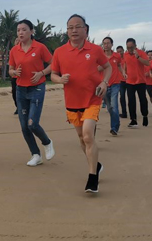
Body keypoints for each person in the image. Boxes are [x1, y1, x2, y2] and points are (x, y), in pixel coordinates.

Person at [51, 14, 111, 193]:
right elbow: (53, 74)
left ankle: (92, 178)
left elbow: (108, 67)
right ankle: (96, 165)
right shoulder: (59, 52)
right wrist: (60, 79)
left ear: (86, 29)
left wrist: (104, 82)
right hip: (72, 101)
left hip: (93, 98)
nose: (74, 30)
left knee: (88, 135)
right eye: (70, 27)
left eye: (78, 26)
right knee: (81, 138)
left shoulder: (95, 50)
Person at [8, 20, 55, 166]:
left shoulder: (40, 47)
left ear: (31, 31)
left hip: (37, 88)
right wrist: (14, 72)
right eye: (18, 30)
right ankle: (35, 154)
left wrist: (42, 73)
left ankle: (47, 142)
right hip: (21, 90)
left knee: (32, 124)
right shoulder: (14, 50)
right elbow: (10, 70)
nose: (20, 32)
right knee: (24, 126)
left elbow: (53, 64)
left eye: (24, 29)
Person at [122, 38, 150, 128]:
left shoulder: (141, 53)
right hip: (130, 81)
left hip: (140, 81)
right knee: (131, 100)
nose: (130, 49)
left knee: (142, 99)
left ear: (135, 46)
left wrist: (138, 57)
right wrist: (124, 73)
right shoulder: (125, 54)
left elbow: (147, 63)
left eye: (131, 47)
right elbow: (125, 64)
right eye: (128, 47)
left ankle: (145, 115)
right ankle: (133, 120)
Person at [101, 37, 125, 136]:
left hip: (115, 83)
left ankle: (114, 127)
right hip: (104, 84)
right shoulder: (100, 55)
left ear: (112, 44)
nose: (106, 45)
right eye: (104, 43)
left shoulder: (116, 56)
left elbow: (119, 65)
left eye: (108, 43)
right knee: (110, 107)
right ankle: (117, 122)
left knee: (114, 105)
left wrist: (123, 73)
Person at [116, 45, 128, 118]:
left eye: (120, 51)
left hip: (129, 80)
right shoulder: (117, 59)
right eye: (118, 52)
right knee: (122, 96)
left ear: (123, 50)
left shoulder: (127, 57)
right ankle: (124, 112)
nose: (119, 53)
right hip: (121, 81)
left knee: (130, 97)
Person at [145, 49, 152, 115]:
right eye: (148, 55)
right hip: (148, 83)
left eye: (151, 55)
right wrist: (145, 74)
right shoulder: (145, 63)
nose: (149, 56)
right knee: (151, 96)